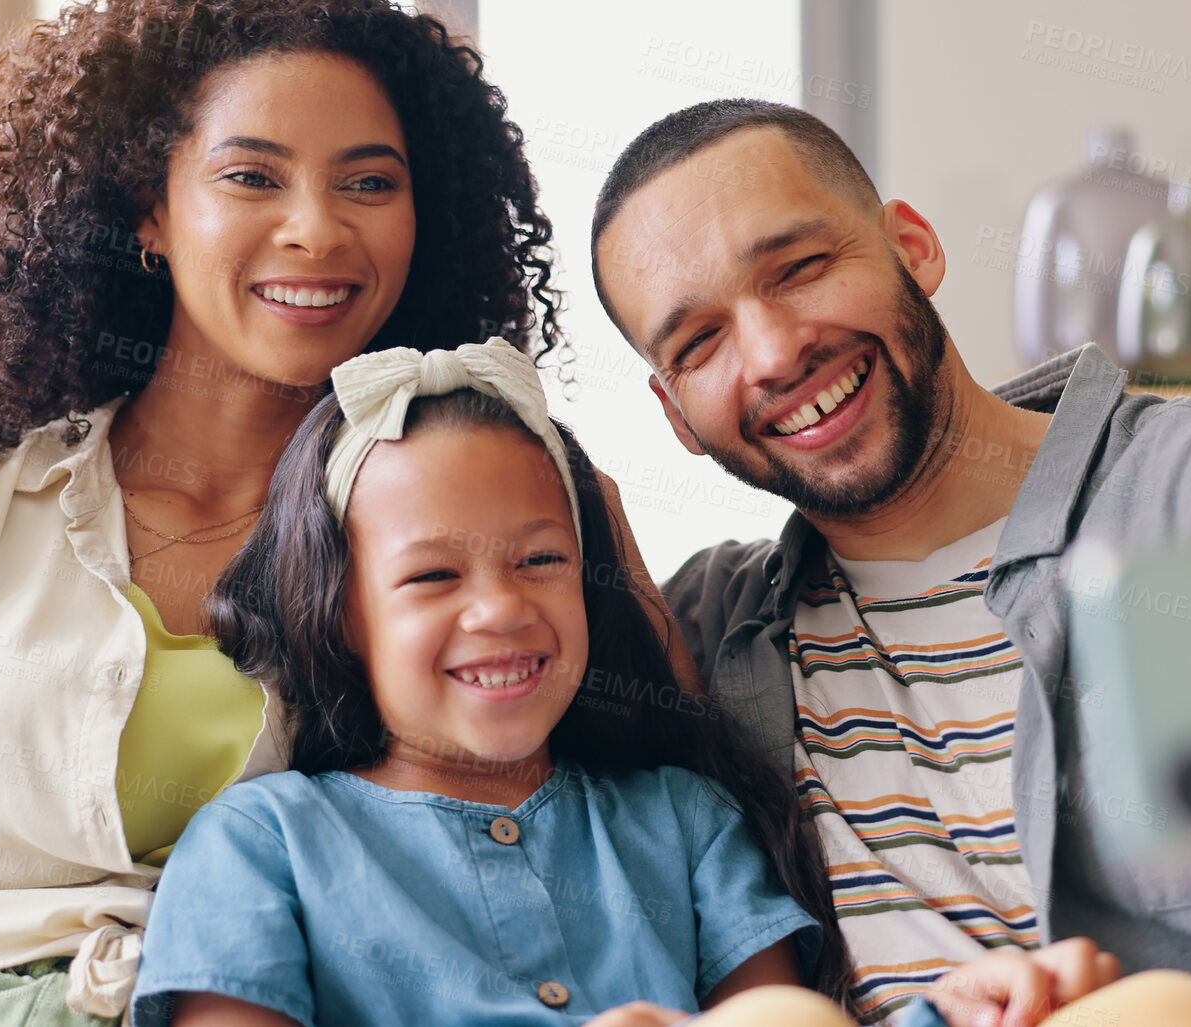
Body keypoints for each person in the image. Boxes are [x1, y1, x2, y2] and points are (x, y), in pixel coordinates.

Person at [588, 98, 1191, 1025]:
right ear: (674, 415)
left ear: (912, 247)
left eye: (799, 267)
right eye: (700, 340)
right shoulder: (711, 634)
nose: (769, 353)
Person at [0, 2, 566, 1023]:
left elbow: (641, 830)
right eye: (251, 175)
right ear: (147, 211)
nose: (317, 228)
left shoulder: (500, 544)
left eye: (370, 183)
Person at [129, 340, 841, 1026]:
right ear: (336, 614)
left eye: (540, 560)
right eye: (433, 574)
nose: (502, 608)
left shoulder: (688, 820)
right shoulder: (258, 842)